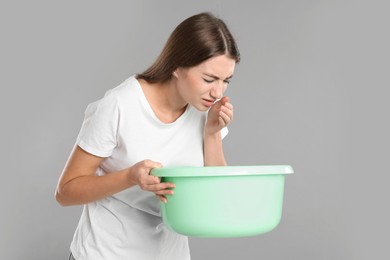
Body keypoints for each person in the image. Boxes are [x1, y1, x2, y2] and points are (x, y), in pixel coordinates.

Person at [55, 12, 240, 260]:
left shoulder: (204, 111)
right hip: (106, 253)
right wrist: (131, 177)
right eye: (209, 79)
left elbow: (219, 196)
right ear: (177, 65)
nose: (217, 91)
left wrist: (212, 134)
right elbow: (66, 192)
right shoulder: (119, 105)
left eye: (226, 80)